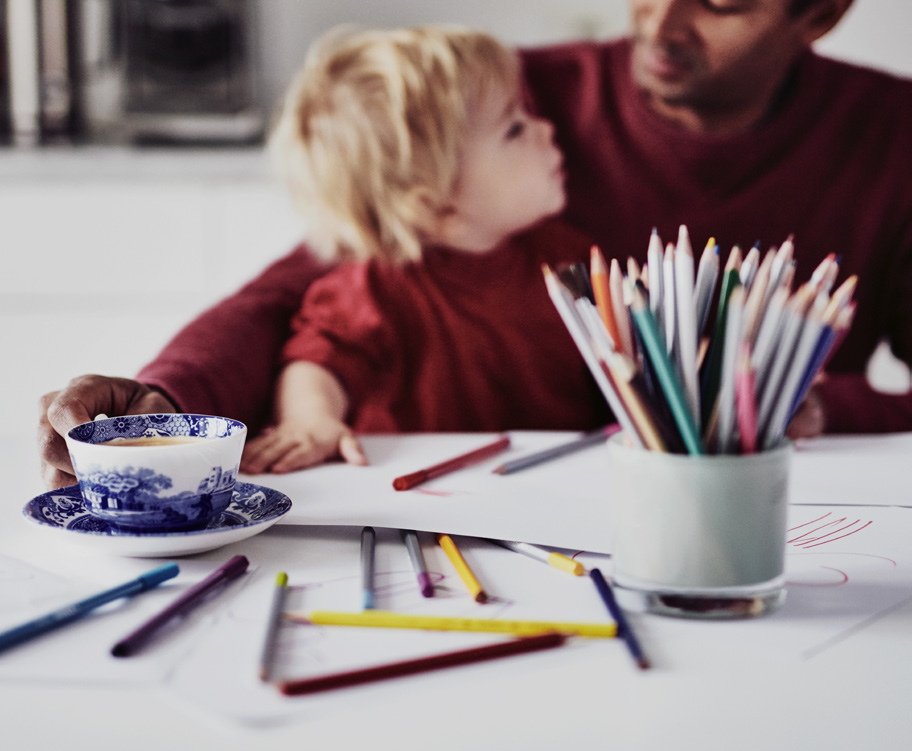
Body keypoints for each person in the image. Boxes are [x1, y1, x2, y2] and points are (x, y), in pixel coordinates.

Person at [39, 0, 912, 488]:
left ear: (820, 13)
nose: (661, 19)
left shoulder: (895, 137)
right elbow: (308, 286)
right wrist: (166, 397)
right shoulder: (505, 93)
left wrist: (824, 409)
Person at [238, 26, 608, 473]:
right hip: (417, 504)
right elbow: (317, 363)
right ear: (435, 206)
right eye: (514, 128)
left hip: (555, 489)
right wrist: (311, 419)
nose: (546, 129)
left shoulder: (571, 260)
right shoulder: (373, 290)